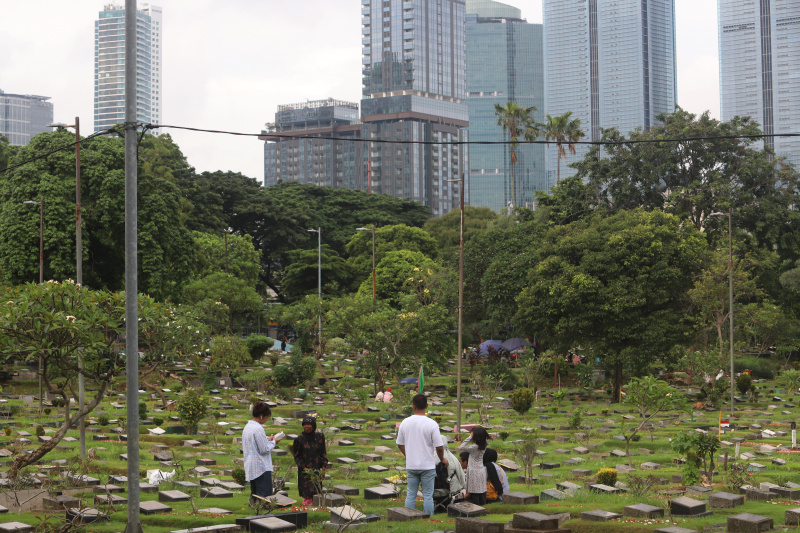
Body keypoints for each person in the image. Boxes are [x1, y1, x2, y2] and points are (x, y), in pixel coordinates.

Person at [396, 393, 448, 516]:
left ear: (413, 406)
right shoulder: (431, 424)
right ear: (427, 406)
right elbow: (439, 447)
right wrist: (443, 459)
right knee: (428, 496)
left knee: (411, 493)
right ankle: (428, 518)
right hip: (427, 466)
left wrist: (408, 456)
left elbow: (399, 443)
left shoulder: (405, 422)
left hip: (412, 465)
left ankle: (408, 517)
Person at [243, 401, 283, 502]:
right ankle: (261, 514)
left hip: (251, 465)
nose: (266, 419)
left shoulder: (248, 427)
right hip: (261, 467)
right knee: (264, 496)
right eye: (266, 417)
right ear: (261, 416)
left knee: (255, 493)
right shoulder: (258, 428)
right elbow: (264, 449)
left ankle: (253, 511)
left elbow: (256, 444)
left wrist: (267, 440)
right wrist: (274, 442)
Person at [291, 416, 328, 506]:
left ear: (313, 425)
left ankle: (316, 506)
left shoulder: (320, 437)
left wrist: (323, 468)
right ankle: (307, 507)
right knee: (307, 492)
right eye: (305, 424)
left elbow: (323, 453)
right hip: (305, 470)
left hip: (317, 468)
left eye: (309, 424)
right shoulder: (299, 439)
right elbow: (297, 457)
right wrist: (305, 468)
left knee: (317, 490)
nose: (307, 426)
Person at [457, 425, 489, 505]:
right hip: (481, 471)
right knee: (481, 492)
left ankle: (476, 510)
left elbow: (461, 447)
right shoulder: (483, 446)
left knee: (474, 493)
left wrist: (470, 437)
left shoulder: (474, 447)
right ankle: (482, 509)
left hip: (474, 472)